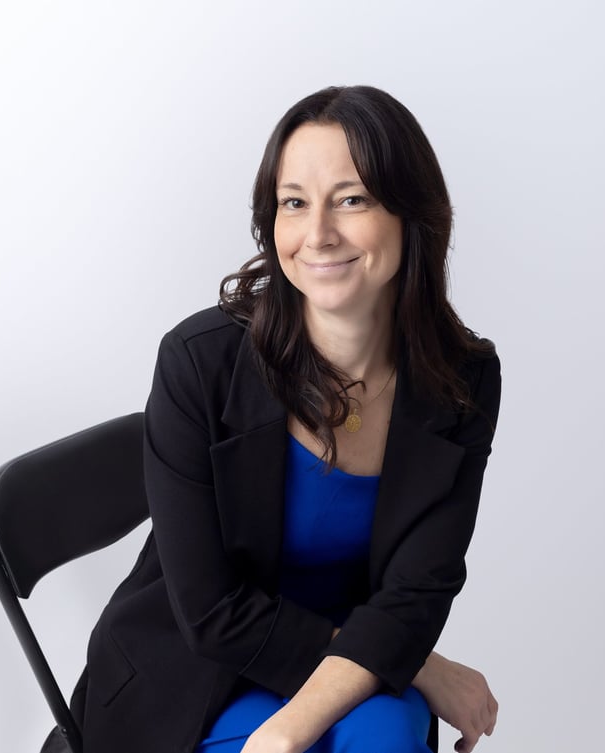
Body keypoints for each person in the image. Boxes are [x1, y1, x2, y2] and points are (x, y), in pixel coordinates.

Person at [71, 85, 501, 753]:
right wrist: (416, 663)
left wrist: (288, 730)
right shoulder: (199, 363)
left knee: (386, 739)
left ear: (412, 214)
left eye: (352, 199)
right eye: (294, 203)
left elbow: (418, 589)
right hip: (187, 679)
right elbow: (211, 613)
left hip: (347, 667)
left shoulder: (462, 380)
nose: (318, 234)